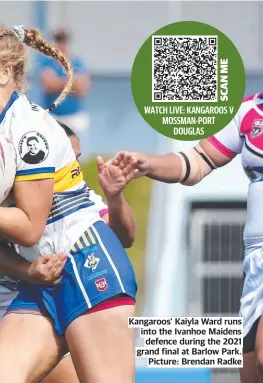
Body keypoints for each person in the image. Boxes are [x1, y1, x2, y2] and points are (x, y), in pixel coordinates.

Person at [0, 119, 136, 383]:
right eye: (65, 159)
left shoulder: (72, 196)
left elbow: (124, 237)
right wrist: (31, 271)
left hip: (19, 311)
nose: (72, 169)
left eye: (75, 161)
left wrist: (114, 197)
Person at [107, 92, 263, 383]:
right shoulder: (248, 111)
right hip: (255, 262)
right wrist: (148, 164)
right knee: (251, 372)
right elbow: (195, 163)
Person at [38, 28, 91, 141]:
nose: (61, 44)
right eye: (58, 40)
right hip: (54, 117)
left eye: (64, 40)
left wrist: (59, 81)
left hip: (75, 118)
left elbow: (82, 88)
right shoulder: (47, 63)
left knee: (78, 154)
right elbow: (49, 85)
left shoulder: (77, 62)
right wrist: (71, 82)